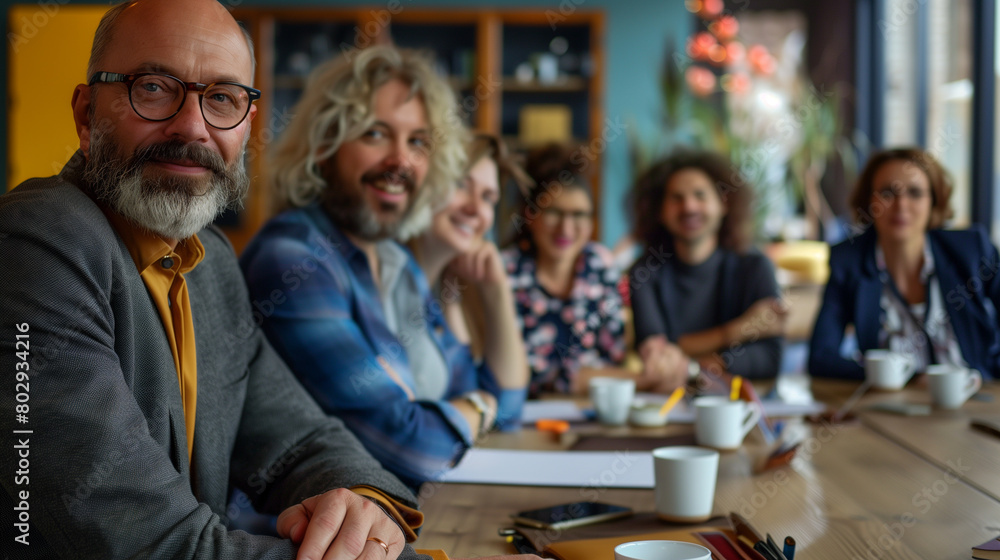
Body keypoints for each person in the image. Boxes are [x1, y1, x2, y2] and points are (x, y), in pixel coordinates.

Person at [0, 1, 448, 558]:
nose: (192, 126)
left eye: (222, 99)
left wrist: (360, 503)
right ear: (88, 114)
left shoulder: (209, 260)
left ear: (247, 124)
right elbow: (151, 545)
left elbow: (301, 440)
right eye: (154, 87)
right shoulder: (35, 242)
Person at [240, 46, 525, 491]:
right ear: (323, 147)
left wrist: (476, 405)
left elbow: (501, 404)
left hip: (411, 517)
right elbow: (416, 448)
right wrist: (476, 410)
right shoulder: (294, 260)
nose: (401, 162)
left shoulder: (395, 260)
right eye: (375, 134)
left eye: (417, 142)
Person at [809, 147, 1000, 381]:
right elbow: (820, 357)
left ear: (934, 202)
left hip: (978, 400)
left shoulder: (972, 250)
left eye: (915, 193)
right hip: (893, 407)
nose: (901, 205)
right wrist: (905, 378)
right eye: (888, 193)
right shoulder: (848, 262)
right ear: (869, 201)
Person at [628, 149, 785, 391]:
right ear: (659, 211)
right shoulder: (645, 272)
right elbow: (657, 356)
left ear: (723, 203)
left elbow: (770, 357)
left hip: (740, 406)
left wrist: (710, 361)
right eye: (676, 198)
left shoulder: (755, 267)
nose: (689, 206)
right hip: (667, 402)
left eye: (700, 195)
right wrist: (738, 330)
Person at [502, 143, 645, 397]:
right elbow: (518, 375)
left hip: (591, 413)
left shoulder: (600, 266)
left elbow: (613, 357)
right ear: (531, 216)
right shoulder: (506, 271)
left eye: (579, 215)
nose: (566, 229)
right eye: (555, 213)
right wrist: (588, 378)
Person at [408, 133, 530, 394]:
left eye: (488, 197)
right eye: (461, 184)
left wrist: (497, 291)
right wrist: (479, 410)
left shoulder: (448, 285)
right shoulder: (387, 276)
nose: (476, 209)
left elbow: (506, 407)